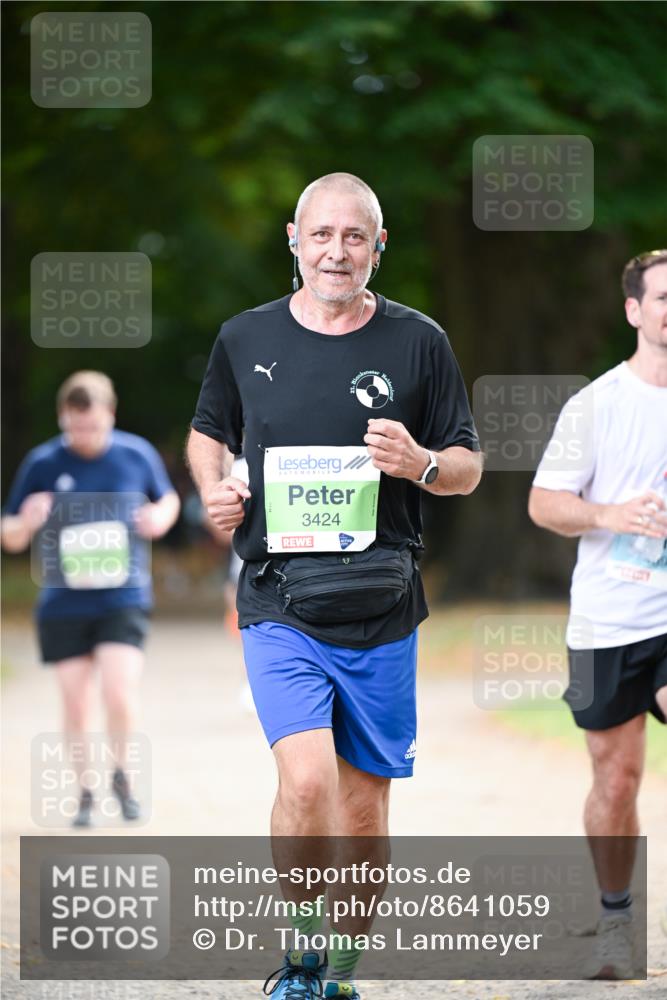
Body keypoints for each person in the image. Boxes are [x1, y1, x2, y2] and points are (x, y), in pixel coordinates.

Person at [186, 172, 482, 998]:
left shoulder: (419, 341)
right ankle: (302, 955)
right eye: (321, 235)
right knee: (306, 781)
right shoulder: (243, 338)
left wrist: (420, 463)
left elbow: (466, 464)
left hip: (381, 607)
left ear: (377, 246)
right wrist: (215, 485)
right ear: (293, 239)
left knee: (361, 814)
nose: (336, 251)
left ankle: (342, 976)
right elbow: (209, 431)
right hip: (278, 597)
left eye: (354, 237)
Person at [528, 250, 667, 979]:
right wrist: (611, 512)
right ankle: (616, 921)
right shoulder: (594, 406)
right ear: (634, 310)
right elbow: (543, 503)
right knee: (615, 780)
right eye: (664, 297)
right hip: (609, 617)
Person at [1, 371, 180, 827]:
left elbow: (169, 499)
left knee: (119, 691)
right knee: (76, 703)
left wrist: (159, 517)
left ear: (110, 416)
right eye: (75, 428)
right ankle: (85, 791)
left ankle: (122, 775)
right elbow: (11, 537)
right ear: (63, 418)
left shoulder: (135, 454)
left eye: (93, 427)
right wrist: (26, 519)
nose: (84, 437)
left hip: (123, 596)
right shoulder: (42, 462)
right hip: (63, 601)